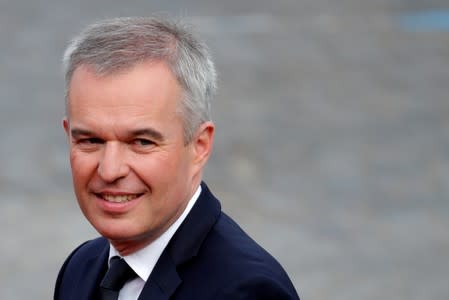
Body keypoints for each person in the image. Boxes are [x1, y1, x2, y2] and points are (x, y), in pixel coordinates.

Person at [54, 16, 300, 300]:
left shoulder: (246, 291)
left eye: (141, 142)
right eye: (90, 140)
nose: (110, 170)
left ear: (199, 146)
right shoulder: (80, 268)